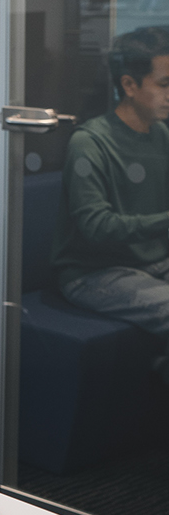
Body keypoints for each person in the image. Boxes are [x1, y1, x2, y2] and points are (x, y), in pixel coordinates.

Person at [53, 25, 169, 381]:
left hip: (151, 262)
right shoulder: (90, 143)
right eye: (164, 84)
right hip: (94, 272)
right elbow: (96, 227)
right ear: (129, 85)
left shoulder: (161, 134)